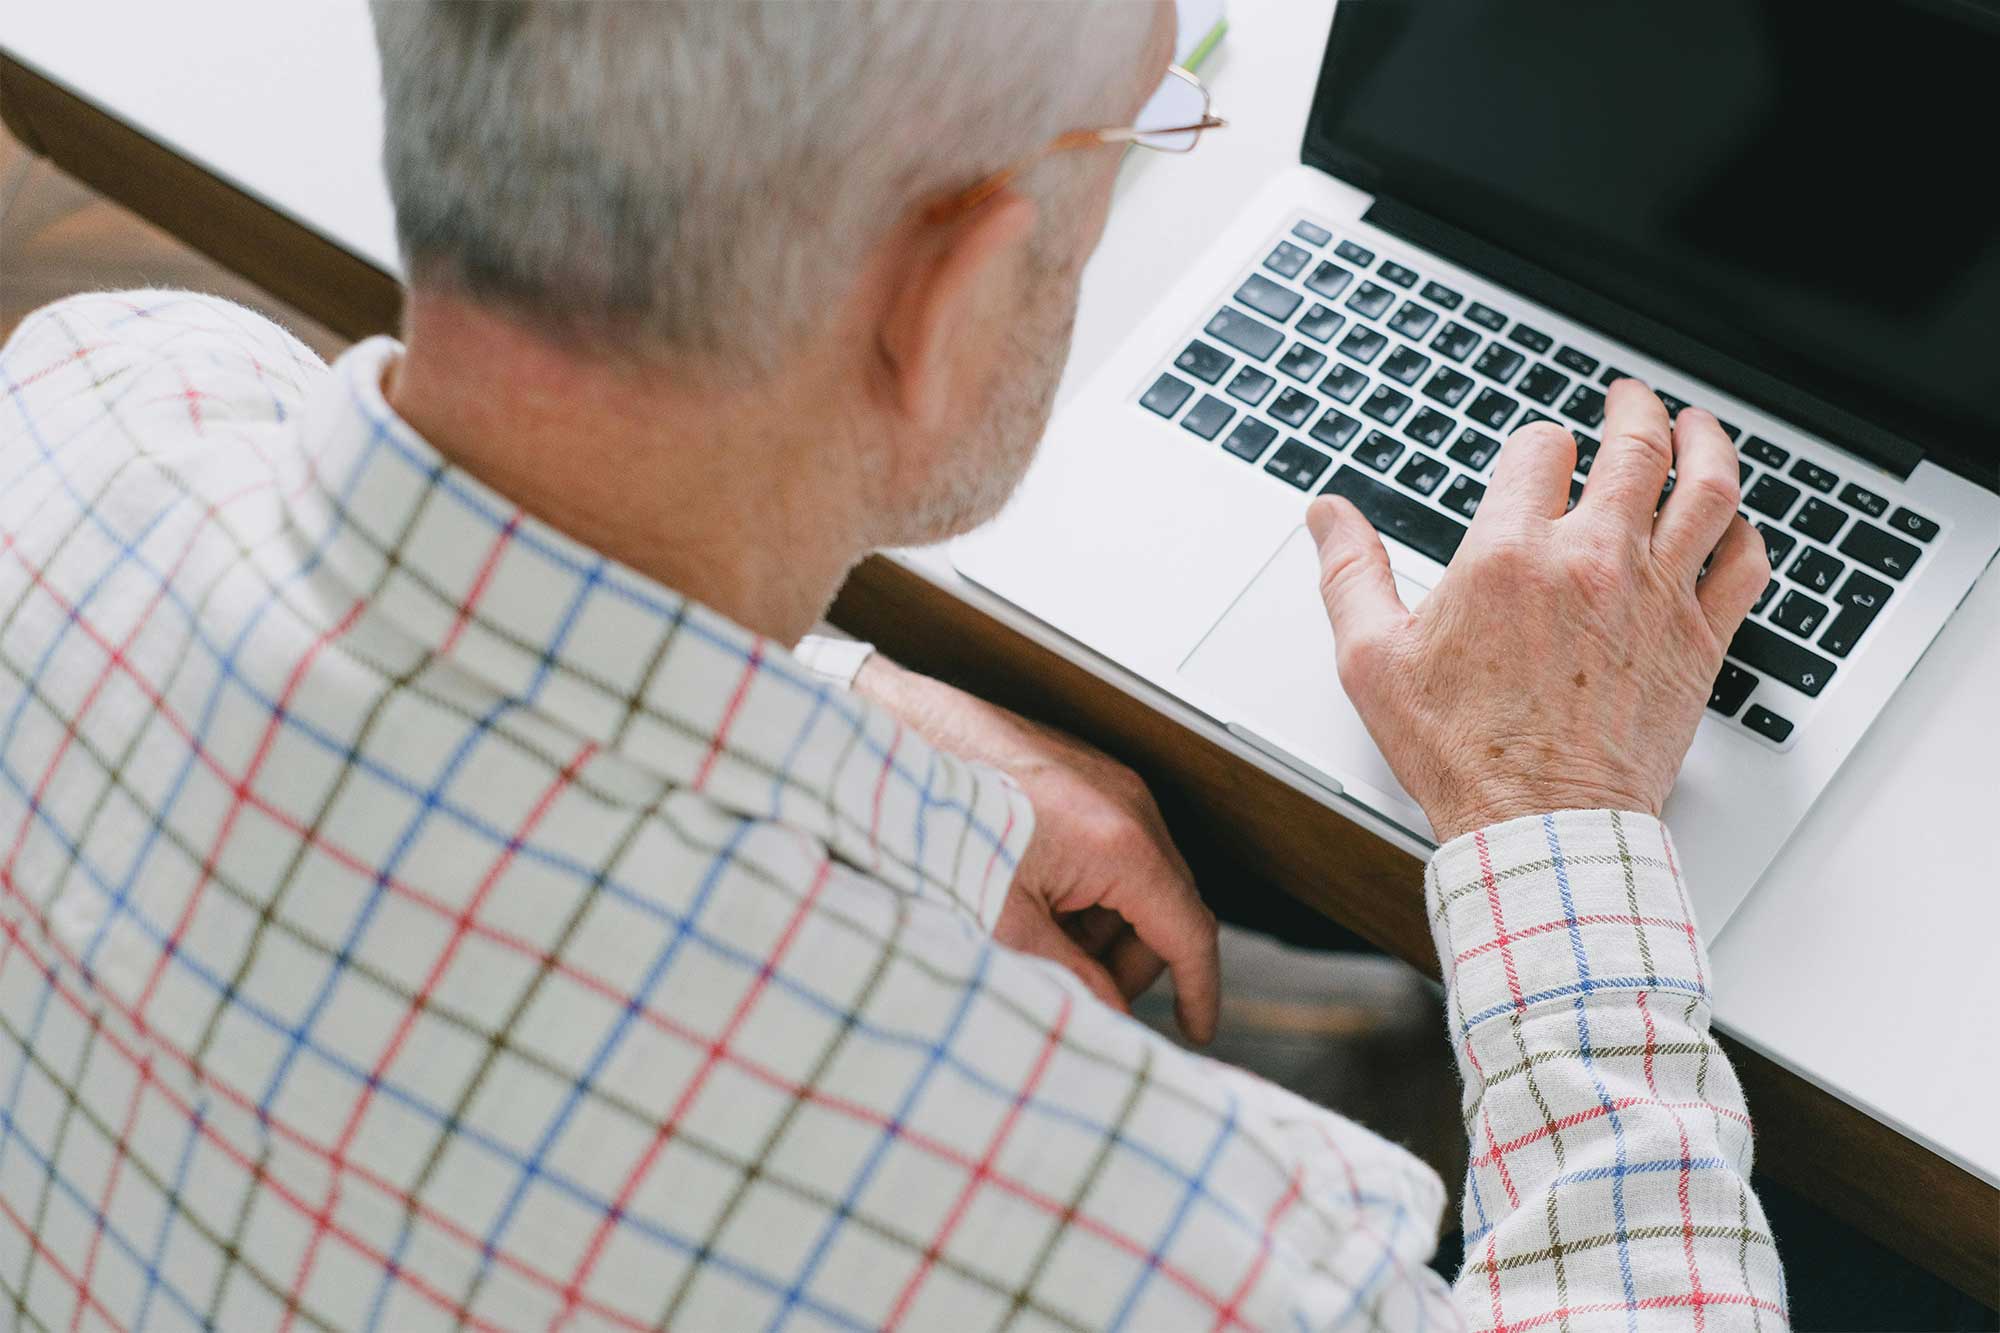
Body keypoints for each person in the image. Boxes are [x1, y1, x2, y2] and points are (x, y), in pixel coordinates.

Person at [0, 2, 1787, 1328]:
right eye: (1141, 125)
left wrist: (845, 711)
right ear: (940, 306)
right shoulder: (1145, 1239)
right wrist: (1546, 803)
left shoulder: (96, 399)